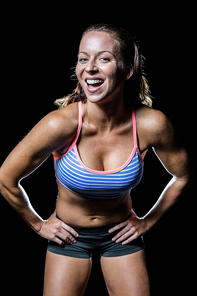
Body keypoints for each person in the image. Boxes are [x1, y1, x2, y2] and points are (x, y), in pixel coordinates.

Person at [0, 24, 191, 296]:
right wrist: (38, 223)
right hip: (70, 237)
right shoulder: (60, 125)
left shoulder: (151, 124)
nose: (89, 68)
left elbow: (183, 176)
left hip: (120, 236)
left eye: (104, 58)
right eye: (82, 58)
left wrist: (147, 222)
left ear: (127, 69)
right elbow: (6, 178)